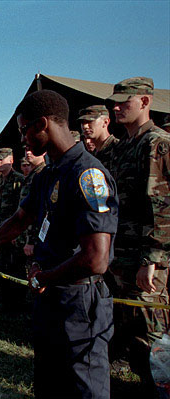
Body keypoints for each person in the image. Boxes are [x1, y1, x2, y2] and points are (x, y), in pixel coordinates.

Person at [0, 90, 118, 398]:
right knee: (49, 383)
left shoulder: (87, 174)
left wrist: (44, 277)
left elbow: (96, 259)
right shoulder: (49, 174)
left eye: (24, 130)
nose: (23, 139)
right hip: (50, 297)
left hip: (78, 300)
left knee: (83, 386)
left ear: (42, 125)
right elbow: (22, 218)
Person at [105, 77, 170, 394]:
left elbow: (163, 206)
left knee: (152, 331)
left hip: (146, 260)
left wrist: (153, 260)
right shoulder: (124, 146)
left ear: (145, 102)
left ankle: (162, 388)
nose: (116, 107)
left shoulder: (156, 143)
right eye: (114, 102)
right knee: (130, 325)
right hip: (123, 256)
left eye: (124, 102)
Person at [0, 147, 25, 312]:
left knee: (15, 267)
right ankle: (4, 300)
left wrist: (18, 233)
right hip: (0, 230)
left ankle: (18, 303)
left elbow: (23, 210)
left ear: (11, 160)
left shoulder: (19, 180)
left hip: (13, 233)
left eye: (1, 160)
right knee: (1, 264)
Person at [78, 105, 118, 170]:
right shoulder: (91, 155)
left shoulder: (119, 149)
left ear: (105, 122)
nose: (85, 126)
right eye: (83, 122)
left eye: (90, 121)